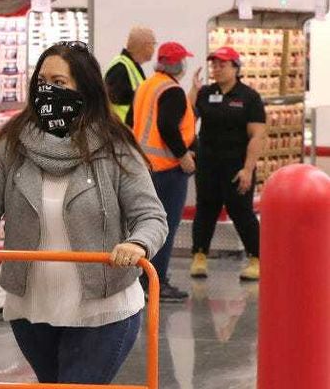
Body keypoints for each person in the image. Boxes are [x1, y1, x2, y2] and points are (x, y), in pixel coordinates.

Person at [0, 41, 167, 389]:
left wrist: (137, 244)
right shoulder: (13, 145)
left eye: (59, 82)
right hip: (34, 305)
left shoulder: (114, 148)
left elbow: (151, 216)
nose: (47, 91)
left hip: (103, 305)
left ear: (84, 88)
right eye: (41, 81)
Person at [188, 46, 266, 281]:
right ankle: (199, 256)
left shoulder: (249, 97)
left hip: (236, 166)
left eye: (222, 65)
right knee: (205, 211)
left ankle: (256, 258)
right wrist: (193, 90)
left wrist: (248, 169)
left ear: (235, 67)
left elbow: (257, 136)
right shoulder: (206, 93)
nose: (217, 69)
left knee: (242, 212)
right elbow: (188, 117)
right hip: (208, 164)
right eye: (214, 65)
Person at [127, 41, 197, 302]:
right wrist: (183, 156)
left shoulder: (147, 85)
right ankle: (158, 280)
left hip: (143, 167)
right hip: (168, 170)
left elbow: (130, 123)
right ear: (178, 64)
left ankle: (142, 279)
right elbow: (167, 126)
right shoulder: (172, 91)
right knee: (164, 226)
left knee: (144, 224)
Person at [105, 26, 156, 123]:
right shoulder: (120, 67)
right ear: (146, 46)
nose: (154, 49)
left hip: (127, 130)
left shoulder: (130, 65)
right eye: (153, 44)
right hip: (121, 130)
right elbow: (112, 96)